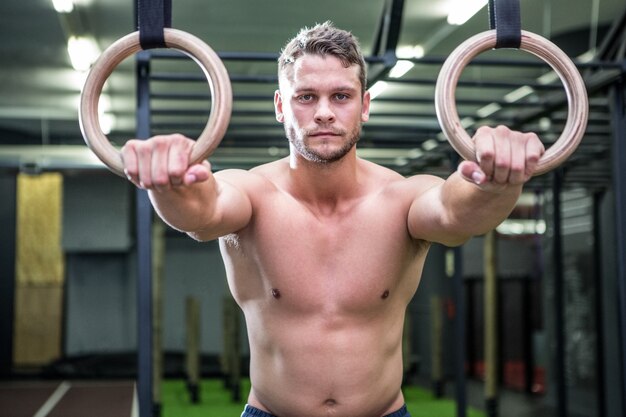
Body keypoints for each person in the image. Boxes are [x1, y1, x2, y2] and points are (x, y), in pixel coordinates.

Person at [121, 21, 544, 417]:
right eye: (306, 97)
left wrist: (497, 181)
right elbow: (202, 212)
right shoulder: (253, 193)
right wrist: (170, 181)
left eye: (340, 96)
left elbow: (458, 213)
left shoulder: (401, 198)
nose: (324, 112)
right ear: (281, 106)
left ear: (364, 106)